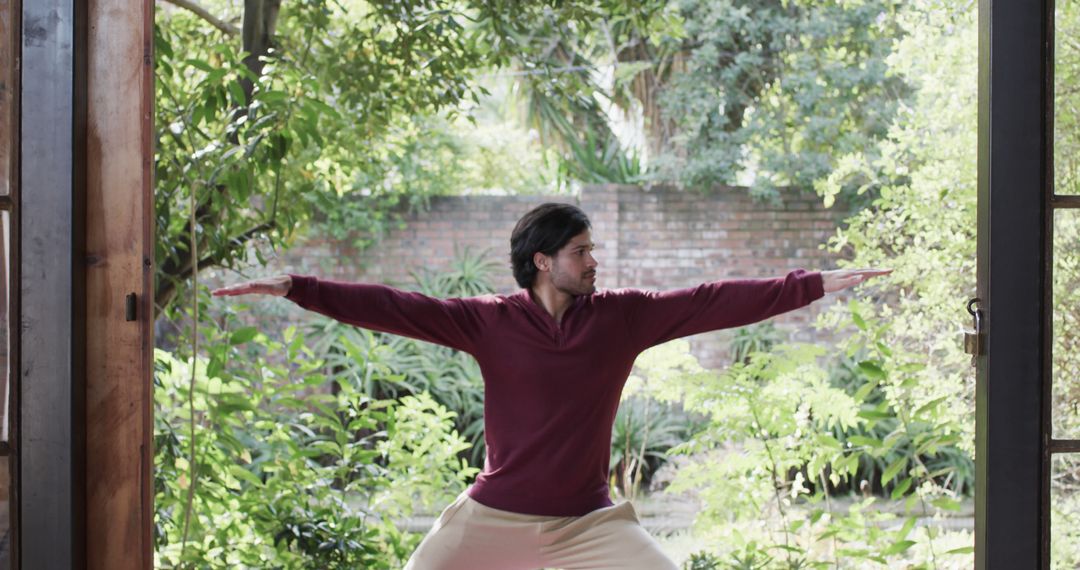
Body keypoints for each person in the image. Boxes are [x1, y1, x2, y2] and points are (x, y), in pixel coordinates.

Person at [212, 202, 890, 570]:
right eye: (581, 252)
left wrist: (816, 284)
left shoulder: (623, 318)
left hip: (589, 524)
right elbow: (396, 306)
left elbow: (713, 299)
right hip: (494, 517)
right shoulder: (487, 323)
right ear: (542, 261)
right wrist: (298, 287)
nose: (595, 261)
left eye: (593, 250)